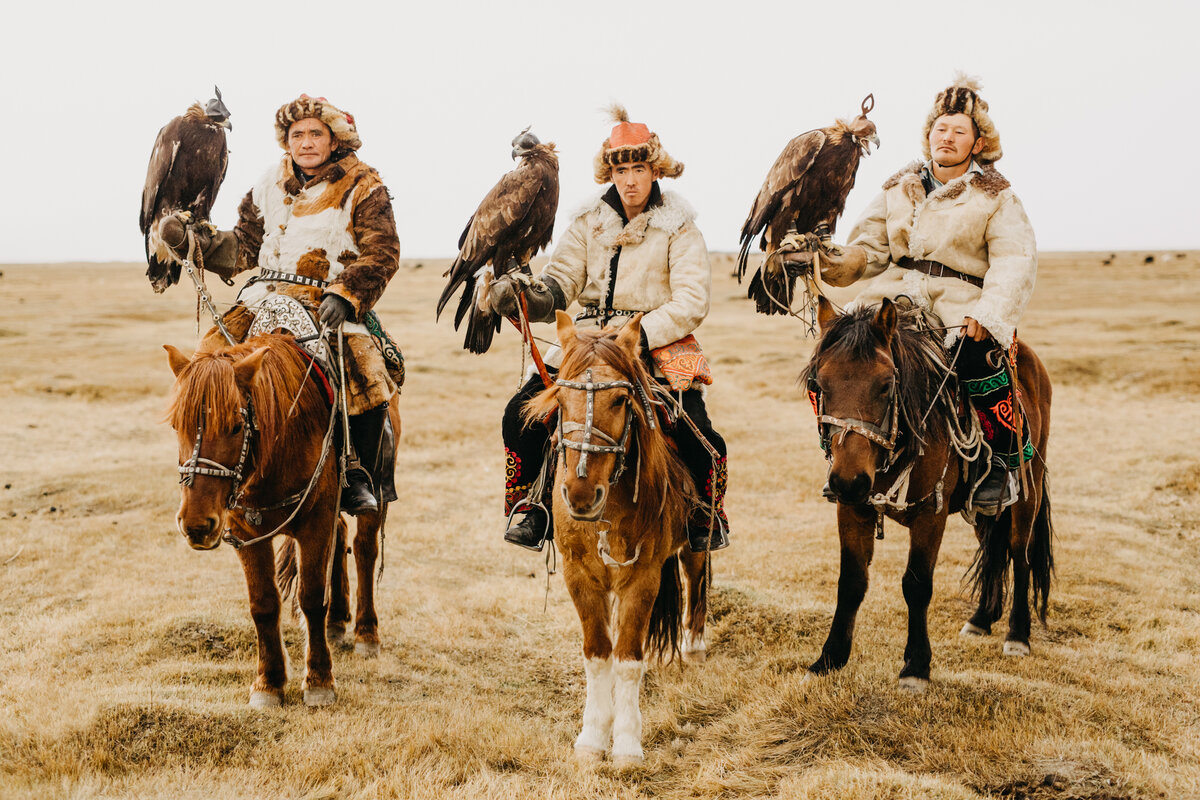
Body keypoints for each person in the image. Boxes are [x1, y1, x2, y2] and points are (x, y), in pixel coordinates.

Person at [488, 106, 730, 553]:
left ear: (655, 169)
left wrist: (634, 337)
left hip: (655, 342)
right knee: (519, 415)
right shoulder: (587, 221)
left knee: (698, 434)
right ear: (610, 173)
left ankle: (704, 514)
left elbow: (691, 300)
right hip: (584, 342)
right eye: (621, 169)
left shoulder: (681, 226)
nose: (631, 180)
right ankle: (531, 506)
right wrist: (530, 297)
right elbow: (561, 281)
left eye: (639, 168)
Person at [161, 94, 400, 516]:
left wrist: (347, 295)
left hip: (328, 297)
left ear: (334, 139)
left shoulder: (364, 185)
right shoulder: (268, 184)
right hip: (262, 296)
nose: (305, 142)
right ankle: (208, 467)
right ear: (286, 141)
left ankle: (355, 471)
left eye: (315, 134)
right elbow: (244, 247)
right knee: (205, 363)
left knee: (364, 368)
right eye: (297, 135)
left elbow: (382, 251)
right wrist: (196, 242)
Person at [808, 74, 1037, 514]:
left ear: (978, 142)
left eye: (959, 131)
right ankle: (843, 452)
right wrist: (828, 259)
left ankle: (1002, 465)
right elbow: (869, 248)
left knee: (979, 362)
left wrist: (988, 314)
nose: (946, 137)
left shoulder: (996, 195)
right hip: (891, 297)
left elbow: (1014, 260)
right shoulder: (899, 186)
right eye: (939, 129)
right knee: (831, 360)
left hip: (959, 303)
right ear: (928, 134)